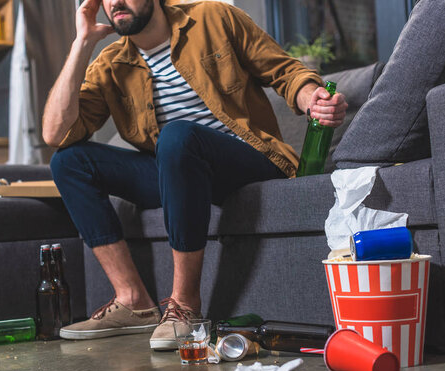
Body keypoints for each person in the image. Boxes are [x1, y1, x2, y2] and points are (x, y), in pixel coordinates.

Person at [42, 0, 348, 350]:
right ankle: (133, 301)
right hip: (179, 172)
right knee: (68, 161)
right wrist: (81, 43)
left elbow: (285, 71)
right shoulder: (111, 63)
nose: (114, 2)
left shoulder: (212, 17)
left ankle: (185, 306)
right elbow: (55, 133)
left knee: (177, 135)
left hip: (247, 161)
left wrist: (313, 99)